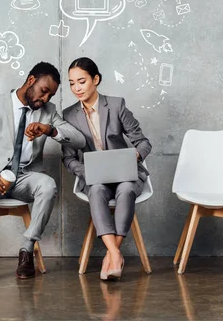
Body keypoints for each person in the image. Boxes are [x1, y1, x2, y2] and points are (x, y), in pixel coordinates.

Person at [0, 62, 86, 285]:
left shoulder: (48, 111)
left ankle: (27, 250)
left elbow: (79, 139)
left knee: (47, 185)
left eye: (51, 94)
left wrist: (50, 129)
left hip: (25, 178)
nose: (45, 98)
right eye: (44, 90)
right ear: (31, 81)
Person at [62, 57, 152, 281]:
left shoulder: (116, 105)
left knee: (127, 190)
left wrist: (134, 156)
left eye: (81, 81)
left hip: (125, 173)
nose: (77, 88)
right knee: (96, 191)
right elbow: (68, 159)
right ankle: (115, 255)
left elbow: (143, 142)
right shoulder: (68, 115)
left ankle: (111, 255)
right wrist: (87, 172)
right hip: (95, 178)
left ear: (96, 79)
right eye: (72, 83)